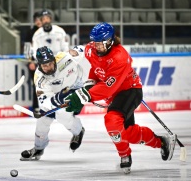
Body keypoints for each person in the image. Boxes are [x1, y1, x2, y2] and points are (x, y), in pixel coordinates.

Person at [65, 22, 177, 173]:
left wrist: (83, 95)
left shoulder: (120, 57)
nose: (96, 46)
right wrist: (89, 85)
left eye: (100, 43)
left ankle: (125, 156)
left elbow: (108, 87)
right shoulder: (91, 49)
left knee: (112, 120)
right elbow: (95, 68)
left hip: (129, 90)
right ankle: (161, 142)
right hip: (115, 94)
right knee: (127, 133)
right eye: (95, 42)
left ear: (110, 41)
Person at [20, 46, 85, 161]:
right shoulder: (39, 78)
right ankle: (39, 148)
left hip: (77, 89)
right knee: (42, 121)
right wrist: (57, 99)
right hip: (56, 96)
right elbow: (44, 101)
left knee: (62, 115)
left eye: (50, 63)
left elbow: (86, 50)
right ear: (39, 65)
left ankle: (78, 131)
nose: (48, 67)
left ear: (54, 59)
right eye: (45, 65)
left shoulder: (65, 57)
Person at [24, 11, 43, 112]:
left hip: (47, 63)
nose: (38, 21)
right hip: (34, 63)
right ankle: (36, 106)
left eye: (40, 19)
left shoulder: (46, 32)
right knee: (37, 84)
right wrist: (30, 61)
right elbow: (27, 49)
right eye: (36, 20)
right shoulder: (30, 33)